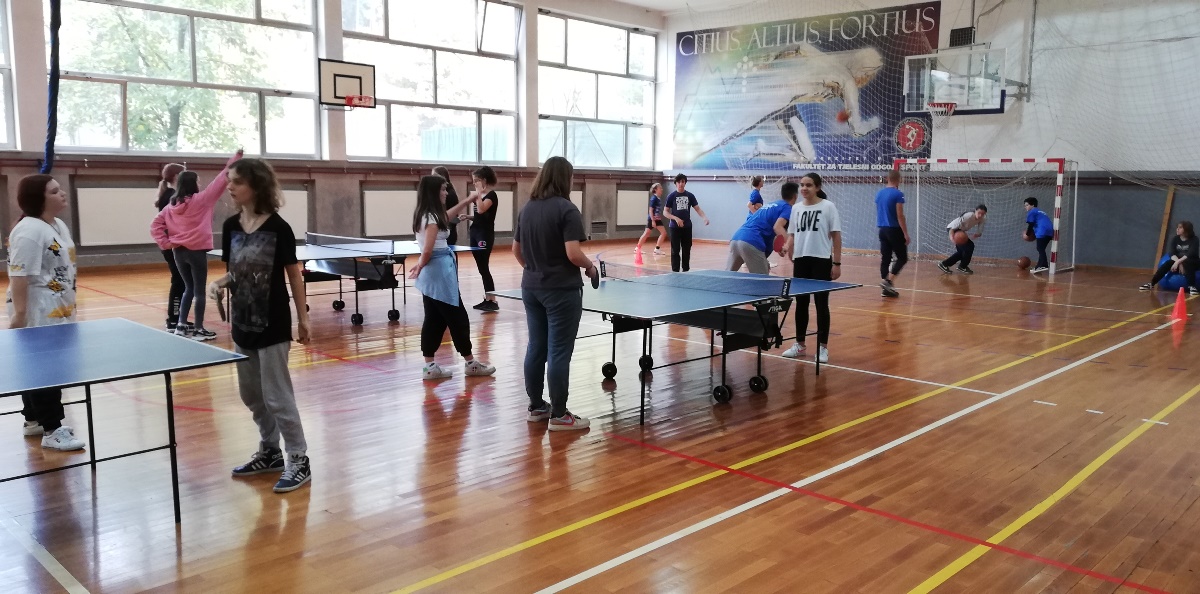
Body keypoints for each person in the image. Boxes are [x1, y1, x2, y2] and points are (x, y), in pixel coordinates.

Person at [206, 158, 311, 494]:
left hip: (273, 322)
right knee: (251, 394)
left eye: (236, 181)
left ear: (256, 185)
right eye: (230, 180)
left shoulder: (279, 228)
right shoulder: (231, 226)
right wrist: (219, 283)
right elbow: (236, 271)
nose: (230, 186)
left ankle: (298, 458)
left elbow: (294, 275)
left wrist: (303, 318)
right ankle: (270, 452)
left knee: (277, 396)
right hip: (242, 321)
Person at [512, 156, 600, 431]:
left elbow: (516, 250)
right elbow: (573, 253)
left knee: (536, 347)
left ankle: (537, 406)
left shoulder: (527, 209)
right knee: (559, 352)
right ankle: (560, 415)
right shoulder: (567, 209)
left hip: (531, 288)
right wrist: (590, 266)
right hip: (561, 291)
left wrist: (536, 270)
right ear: (565, 178)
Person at [6, 174, 86, 451]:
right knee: (46, 370)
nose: (62, 194)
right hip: (37, 310)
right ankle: (52, 429)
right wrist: (19, 315)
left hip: (59, 307)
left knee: (39, 368)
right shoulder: (28, 230)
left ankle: (33, 420)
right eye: (54, 191)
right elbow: (19, 276)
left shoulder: (57, 224)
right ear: (38, 198)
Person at [408, 175, 497, 380]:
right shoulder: (431, 218)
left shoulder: (426, 214)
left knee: (434, 319)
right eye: (443, 189)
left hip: (433, 273)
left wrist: (468, 200)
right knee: (458, 318)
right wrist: (420, 265)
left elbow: (445, 218)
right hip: (439, 273)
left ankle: (429, 366)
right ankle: (471, 363)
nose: (446, 193)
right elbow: (428, 250)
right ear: (433, 192)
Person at [151, 149, 242, 340]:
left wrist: (165, 243)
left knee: (188, 288)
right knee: (199, 291)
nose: (200, 184)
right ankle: (199, 329)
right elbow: (222, 178)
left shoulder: (171, 205)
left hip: (178, 252)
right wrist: (236, 158)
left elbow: (155, 225)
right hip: (196, 252)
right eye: (198, 181)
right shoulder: (202, 200)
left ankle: (181, 326)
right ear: (193, 184)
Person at [782, 174, 842, 363]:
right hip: (801, 261)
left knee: (821, 305)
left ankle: (823, 348)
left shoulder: (828, 207)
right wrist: (787, 246)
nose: (804, 188)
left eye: (808, 185)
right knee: (801, 304)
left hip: (821, 261)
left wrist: (837, 263)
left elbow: (836, 236)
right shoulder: (796, 208)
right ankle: (799, 344)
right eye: (802, 185)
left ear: (817, 187)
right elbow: (792, 233)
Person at [727, 180, 796, 274]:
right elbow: (777, 227)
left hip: (735, 239)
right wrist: (790, 246)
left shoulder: (770, 205)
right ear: (795, 196)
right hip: (752, 242)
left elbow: (770, 231)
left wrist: (780, 247)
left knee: (727, 276)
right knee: (762, 281)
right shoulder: (787, 207)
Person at [461, 166, 500, 312]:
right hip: (475, 232)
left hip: (484, 235)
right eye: (473, 180)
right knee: (481, 268)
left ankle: (492, 300)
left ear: (484, 180)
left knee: (484, 267)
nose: (474, 183)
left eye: (477, 180)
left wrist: (477, 193)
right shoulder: (480, 196)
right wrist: (468, 217)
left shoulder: (491, 195)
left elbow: (482, 209)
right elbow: (479, 216)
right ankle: (488, 298)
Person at [156, 163, 186, 331]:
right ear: (176, 177)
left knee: (181, 281)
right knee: (179, 280)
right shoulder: (172, 197)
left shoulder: (170, 194)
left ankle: (178, 318)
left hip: (173, 244)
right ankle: (173, 319)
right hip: (172, 245)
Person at [664, 173, 710, 272]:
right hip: (675, 227)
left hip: (687, 227)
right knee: (675, 250)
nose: (681, 184)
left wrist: (704, 217)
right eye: (679, 182)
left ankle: (686, 270)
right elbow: (665, 212)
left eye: (683, 182)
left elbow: (697, 209)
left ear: (685, 183)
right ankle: (675, 271)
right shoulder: (671, 196)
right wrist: (675, 218)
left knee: (686, 249)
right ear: (676, 183)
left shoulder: (690, 196)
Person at [1141, 221, 1198, 295]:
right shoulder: (1175, 239)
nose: (1177, 229)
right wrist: (1178, 263)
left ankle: (1192, 286)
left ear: (1187, 229)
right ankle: (1151, 283)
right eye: (1177, 227)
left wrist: (1178, 262)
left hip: (1192, 261)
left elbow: (1190, 254)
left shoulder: (1195, 239)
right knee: (1167, 263)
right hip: (1178, 261)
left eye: (1180, 227)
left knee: (1187, 263)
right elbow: (1172, 253)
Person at [875, 170, 908, 297]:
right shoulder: (898, 194)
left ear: (887, 179)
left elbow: (880, 211)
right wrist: (905, 233)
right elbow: (900, 215)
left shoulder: (879, 193)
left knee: (886, 258)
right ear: (899, 180)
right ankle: (888, 281)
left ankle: (886, 289)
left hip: (882, 230)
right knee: (902, 257)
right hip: (894, 229)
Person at [938, 205, 988, 275]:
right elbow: (953, 227)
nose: (980, 215)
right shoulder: (969, 216)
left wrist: (977, 234)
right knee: (969, 246)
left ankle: (945, 264)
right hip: (953, 229)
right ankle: (962, 266)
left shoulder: (982, 218)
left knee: (962, 251)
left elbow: (980, 228)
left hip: (961, 231)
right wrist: (952, 237)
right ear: (975, 211)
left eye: (982, 214)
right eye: (979, 213)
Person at [1023, 197, 1054, 273]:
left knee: (1040, 249)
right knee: (1041, 249)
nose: (1025, 207)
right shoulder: (1041, 212)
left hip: (1042, 231)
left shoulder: (1032, 212)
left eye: (1027, 205)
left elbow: (1031, 224)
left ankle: (1044, 265)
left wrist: (1027, 234)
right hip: (1050, 232)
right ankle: (1038, 266)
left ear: (1033, 205)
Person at [635, 183, 667, 255]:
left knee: (663, 233)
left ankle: (657, 249)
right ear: (655, 190)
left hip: (657, 219)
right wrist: (653, 221)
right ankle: (638, 248)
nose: (661, 189)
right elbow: (651, 210)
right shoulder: (654, 198)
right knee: (647, 233)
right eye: (660, 188)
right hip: (653, 219)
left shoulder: (658, 198)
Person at [431, 166, 460, 246]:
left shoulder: (450, 194)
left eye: (434, 175)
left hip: (447, 233)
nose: (432, 178)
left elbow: (453, 218)